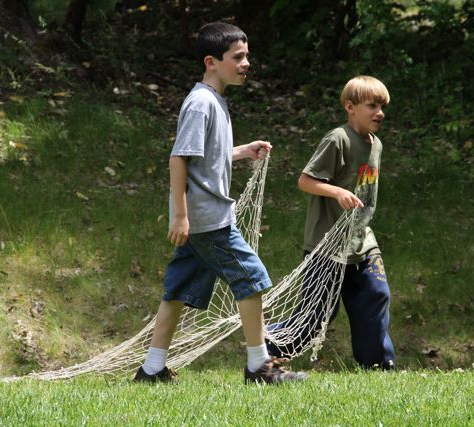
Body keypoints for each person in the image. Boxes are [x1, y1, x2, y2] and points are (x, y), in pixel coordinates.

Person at [133, 22, 307, 385]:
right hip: (207, 220)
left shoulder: (214, 101)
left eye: (247, 56)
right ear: (211, 62)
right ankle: (259, 366)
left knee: (178, 290)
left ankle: (150, 370)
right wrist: (181, 216)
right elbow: (178, 158)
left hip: (201, 219)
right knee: (251, 278)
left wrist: (241, 152)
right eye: (238, 57)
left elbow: (205, 157)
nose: (246, 63)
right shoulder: (201, 104)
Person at [267, 76, 396, 370]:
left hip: (362, 242)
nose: (380, 113)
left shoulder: (376, 144)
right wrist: (337, 192)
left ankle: (378, 366)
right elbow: (305, 181)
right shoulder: (338, 139)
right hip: (326, 246)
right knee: (314, 318)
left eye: (382, 107)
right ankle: (266, 346)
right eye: (372, 106)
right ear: (350, 107)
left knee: (376, 297)